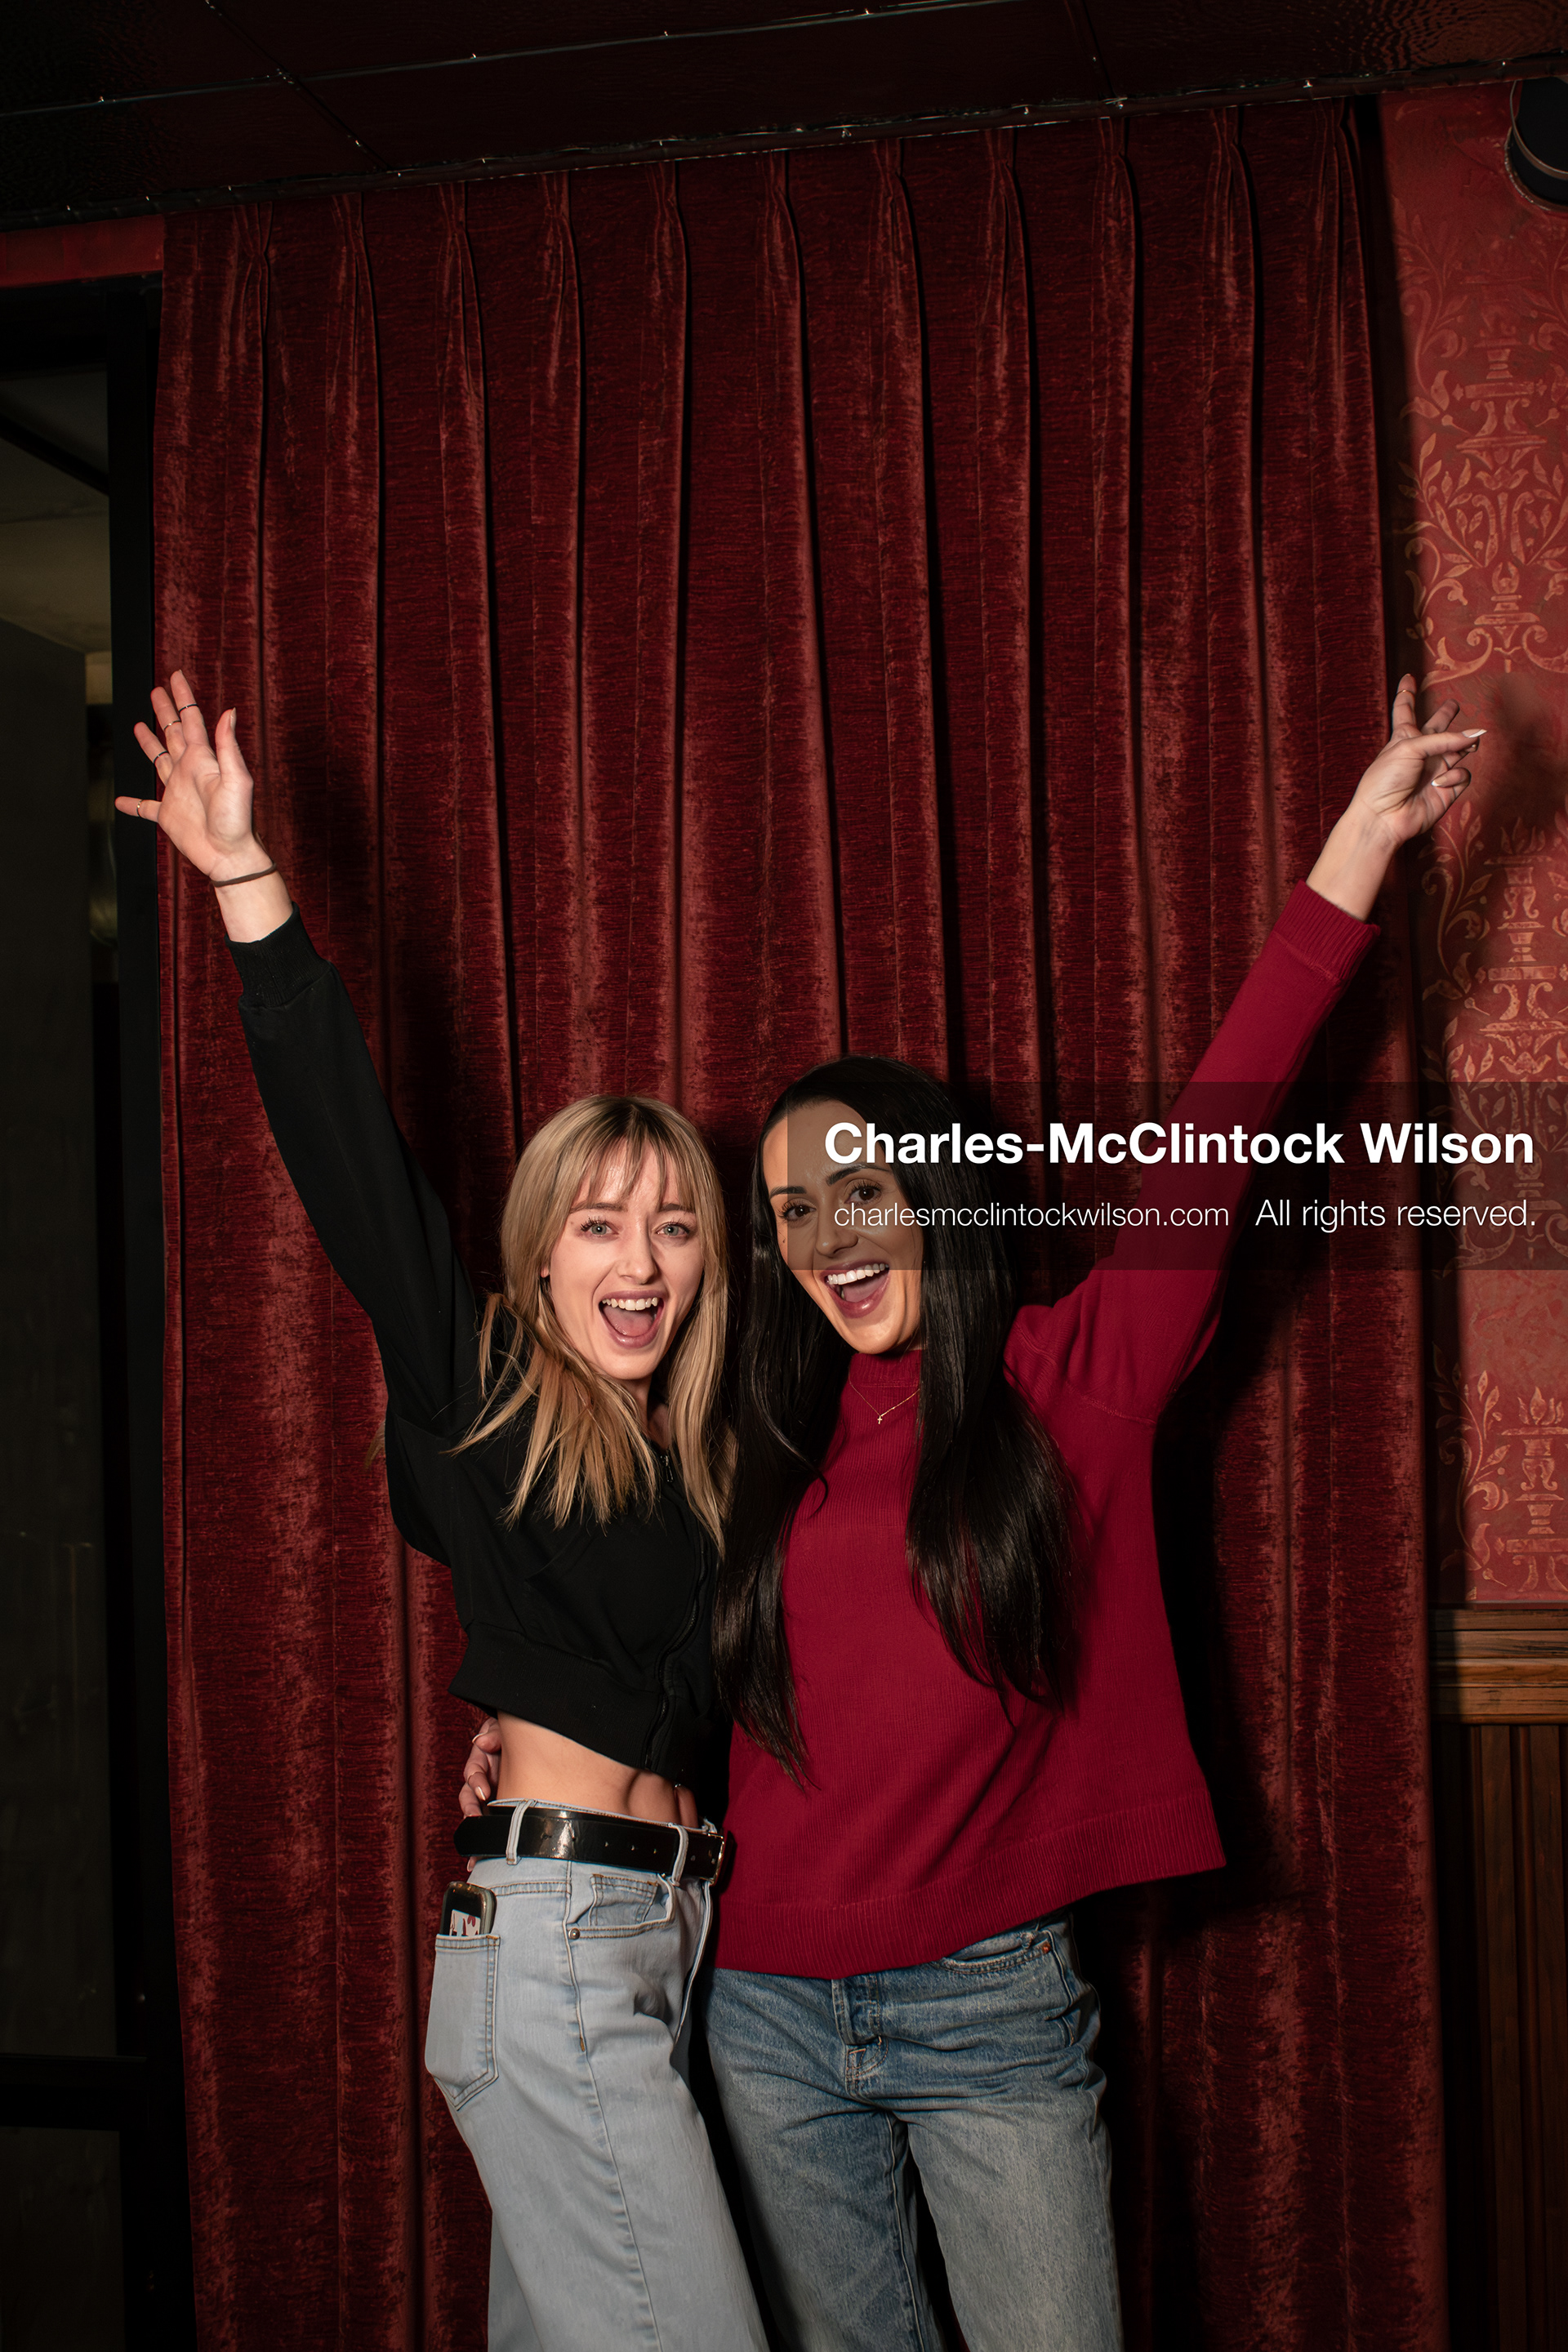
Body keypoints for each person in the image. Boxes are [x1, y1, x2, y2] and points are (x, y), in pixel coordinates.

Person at [464, 675, 1483, 2351]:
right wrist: (526, 1725)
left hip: (991, 2006)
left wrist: (1353, 855)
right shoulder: (754, 1436)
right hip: (762, 2006)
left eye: (860, 1186)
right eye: (791, 1211)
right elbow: (618, 1599)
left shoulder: (1073, 1375)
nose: (827, 1233)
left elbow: (1216, 1137)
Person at [123, 674, 768, 2352]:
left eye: (676, 1230)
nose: (640, 1264)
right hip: (558, 1953)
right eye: (601, 1227)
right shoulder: (486, 1391)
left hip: (657, 1942)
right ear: (539, 1251)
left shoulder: (705, 1468)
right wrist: (245, 883)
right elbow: (346, 1148)